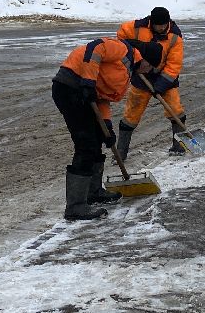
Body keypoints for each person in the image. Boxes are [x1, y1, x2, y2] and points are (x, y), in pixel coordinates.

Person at [52, 36, 164, 220]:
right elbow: (96, 47)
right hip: (70, 88)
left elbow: (102, 97)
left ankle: (93, 192)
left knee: (97, 139)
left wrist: (107, 126)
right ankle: (75, 207)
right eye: (150, 67)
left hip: (86, 94)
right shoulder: (122, 50)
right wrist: (88, 80)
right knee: (86, 145)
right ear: (144, 60)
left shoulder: (127, 71)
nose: (148, 72)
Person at [115, 6, 186, 159]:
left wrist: (160, 86)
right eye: (158, 25)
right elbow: (120, 38)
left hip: (165, 77)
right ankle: (121, 152)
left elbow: (174, 65)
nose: (161, 28)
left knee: (176, 110)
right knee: (131, 114)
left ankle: (178, 145)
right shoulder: (136, 27)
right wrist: (132, 47)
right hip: (142, 76)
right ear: (151, 23)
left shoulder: (175, 36)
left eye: (164, 24)